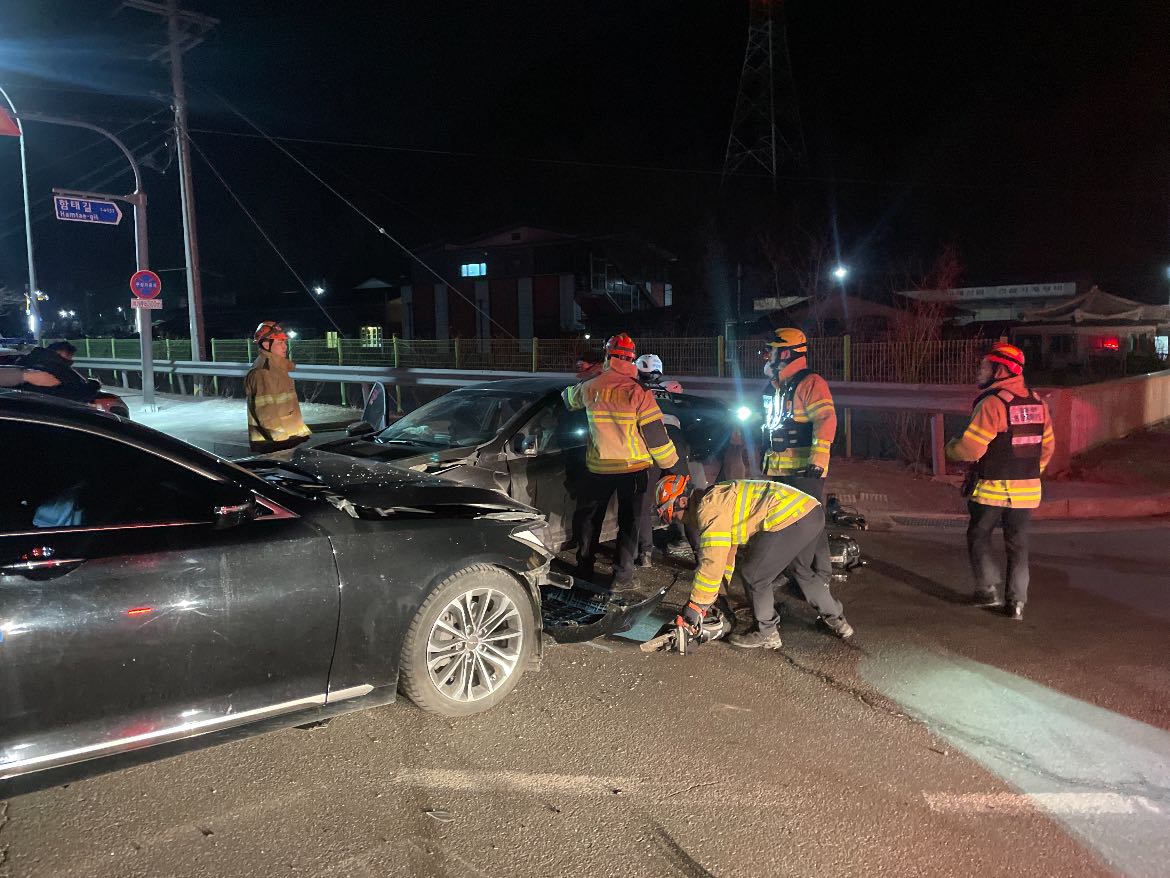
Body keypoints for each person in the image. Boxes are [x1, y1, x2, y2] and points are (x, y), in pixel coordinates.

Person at [656, 474, 853, 649]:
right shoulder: (718, 496)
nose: (678, 521)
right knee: (800, 571)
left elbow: (712, 562)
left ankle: (767, 632)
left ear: (682, 501)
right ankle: (838, 621)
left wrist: (696, 606)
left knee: (754, 574)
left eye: (673, 515)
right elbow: (726, 553)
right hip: (810, 512)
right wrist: (720, 593)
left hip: (789, 517)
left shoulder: (709, 509)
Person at [946, 342, 1055, 621]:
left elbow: (972, 449)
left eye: (985, 366)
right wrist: (1030, 474)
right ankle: (1016, 603)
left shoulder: (992, 404)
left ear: (1000, 370)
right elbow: (1047, 448)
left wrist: (951, 449)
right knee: (1018, 546)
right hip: (1027, 492)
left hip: (991, 490)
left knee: (978, 535)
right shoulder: (1038, 403)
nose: (979, 371)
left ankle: (987, 591)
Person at [562, 332, 679, 587]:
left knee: (590, 520)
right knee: (629, 523)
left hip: (599, 467)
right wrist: (670, 465)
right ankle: (621, 577)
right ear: (631, 359)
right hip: (633, 469)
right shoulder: (639, 392)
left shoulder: (591, 387)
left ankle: (584, 568)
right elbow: (655, 434)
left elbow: (568, 399)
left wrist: (589, 377)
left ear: (607, 356)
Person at [634, 352, 694, 564]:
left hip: (649, 445)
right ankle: (689, 544)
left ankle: (645, 553)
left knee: (644, 499)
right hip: (676, 446)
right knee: (683, 495)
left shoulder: (636, 391)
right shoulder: (669, 391)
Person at [244, 321, 312, 453]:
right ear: (266, 344)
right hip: (275, 444)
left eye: (284, 342)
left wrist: (298, 433)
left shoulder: (277, 369)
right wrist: (282, 440)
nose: (285, 347)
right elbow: (266, 414)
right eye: (280, 342)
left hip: (285, 441)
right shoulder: (263, 372)